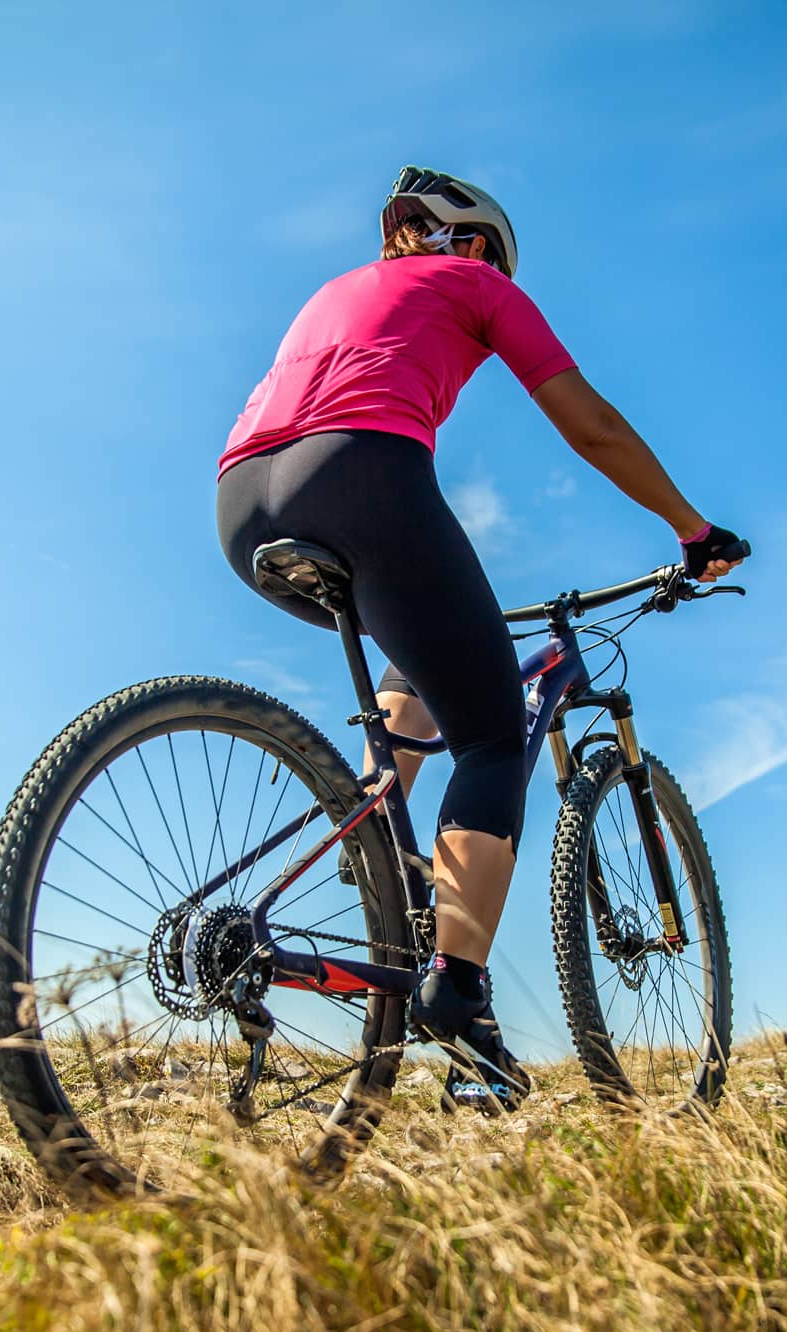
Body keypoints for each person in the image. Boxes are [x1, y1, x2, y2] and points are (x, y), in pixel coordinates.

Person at [217, 165, 744, 1110]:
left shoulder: (340, 289)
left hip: (240, 498)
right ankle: (457, 992)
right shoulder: (479, 283)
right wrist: (691, 530)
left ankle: (381, 837)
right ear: (479, 247)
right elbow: (590, 424)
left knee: (422, 660)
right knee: (496, 732)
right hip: (357, 471)